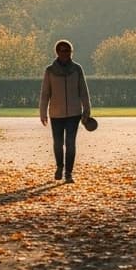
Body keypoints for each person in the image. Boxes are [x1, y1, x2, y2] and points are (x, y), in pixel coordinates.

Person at [39, 39, 91, 183]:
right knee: (57, 143)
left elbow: (83, 91)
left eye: (67, 50)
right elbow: (45, 93)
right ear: (57, 52)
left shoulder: (77, 69)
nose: (64, 53)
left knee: (70, 143)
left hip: (74, 113)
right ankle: (59, 167)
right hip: (56, 113)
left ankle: (68, 173)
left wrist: (87, 110)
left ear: (71, 52)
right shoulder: (49, 70)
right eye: (61, 50)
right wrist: (42, 112)